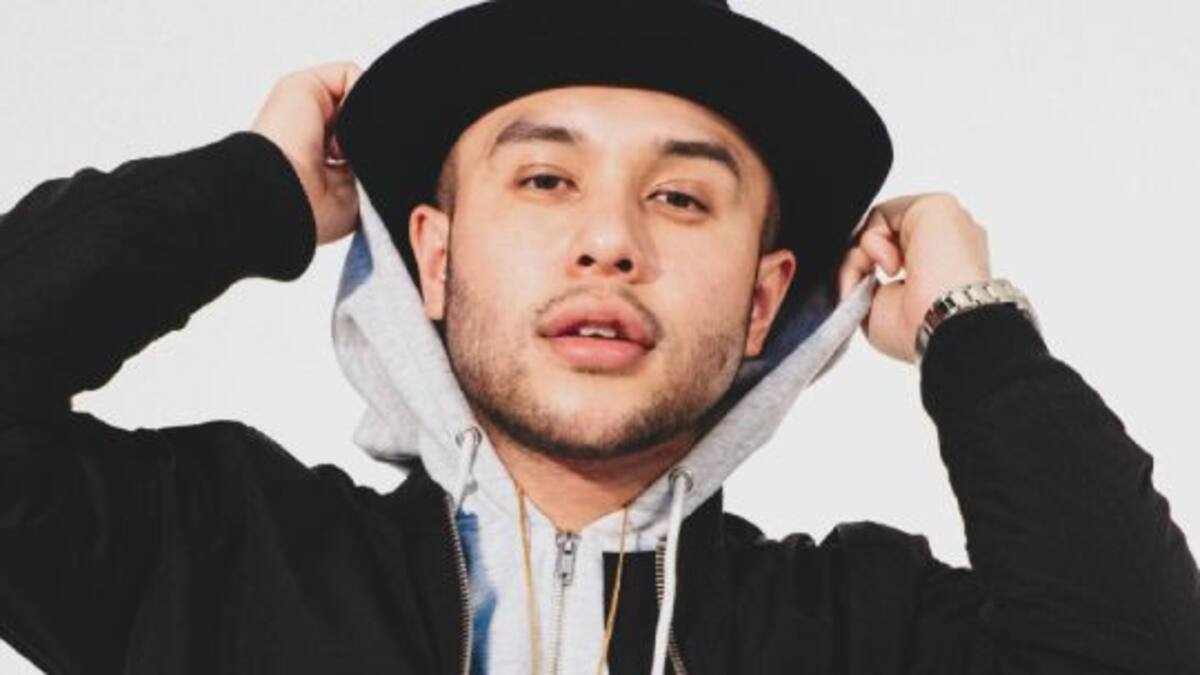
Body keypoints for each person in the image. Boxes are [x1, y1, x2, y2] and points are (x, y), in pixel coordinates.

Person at [2, 1, 1197, 673]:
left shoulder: (858, 633)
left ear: (765, 300)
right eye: (544, 181)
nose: (611, 242)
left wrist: (971, 330)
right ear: (433, 257)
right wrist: (250, 189)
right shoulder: (210, 559)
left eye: (679, 197)